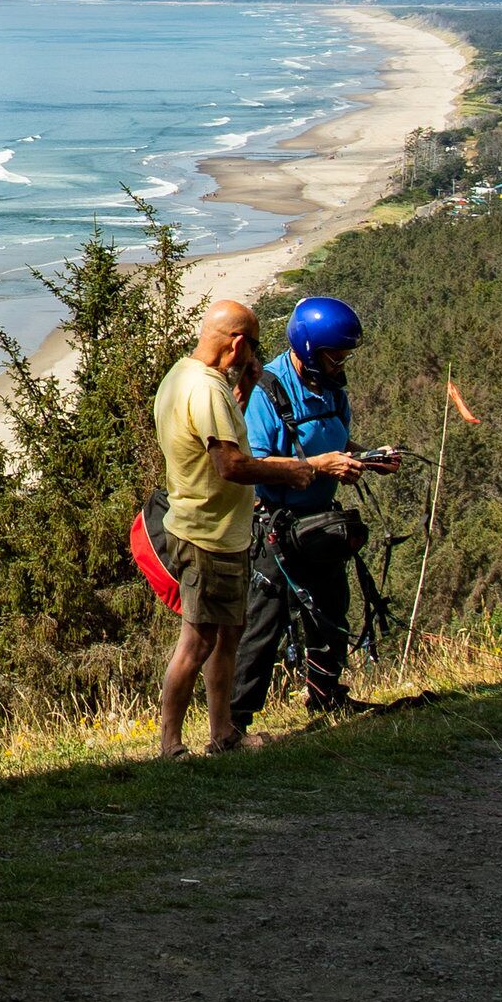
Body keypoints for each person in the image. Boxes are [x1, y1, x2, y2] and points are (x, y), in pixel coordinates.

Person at [147, 298, 370, 756]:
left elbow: (221, 430)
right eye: (250, 349)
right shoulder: (207, 391)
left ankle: (225, 733)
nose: (253, 358)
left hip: (215, 527)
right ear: (237, 343)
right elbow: (230, 465)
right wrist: (303, 468)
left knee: (228, 635)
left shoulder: (181, 376)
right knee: (199, 640)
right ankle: (171, 745)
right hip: (208, 531)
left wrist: (244, 384)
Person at [238, 294, 392, 720]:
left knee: (331, 608)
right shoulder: (267, 390)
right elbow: (258, 465)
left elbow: (337, 442)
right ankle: (235, 721)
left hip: (321, 521)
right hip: (276, 525)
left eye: (343, 357)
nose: (340, 364)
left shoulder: (331, 389)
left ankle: (325, 695)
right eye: (334, 356)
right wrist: (319, 466)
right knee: (263, 625)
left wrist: (369, 457)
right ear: (308, 348)